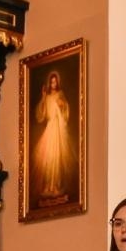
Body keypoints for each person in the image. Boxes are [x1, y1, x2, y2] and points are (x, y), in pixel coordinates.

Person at [33, 71, 74, 199]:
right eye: (51, 82)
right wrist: (43, 97)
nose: (53, 84)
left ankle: (55, 185)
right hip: (50, 127)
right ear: (49, 83)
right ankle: (47, 187)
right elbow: (41, 115)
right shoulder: (47, 96)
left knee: (56, 158)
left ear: (58, 83)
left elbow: (65, 110)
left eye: (55, 81)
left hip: (57, 128)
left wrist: (63, 106)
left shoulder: (60, 95)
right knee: (48, 158)